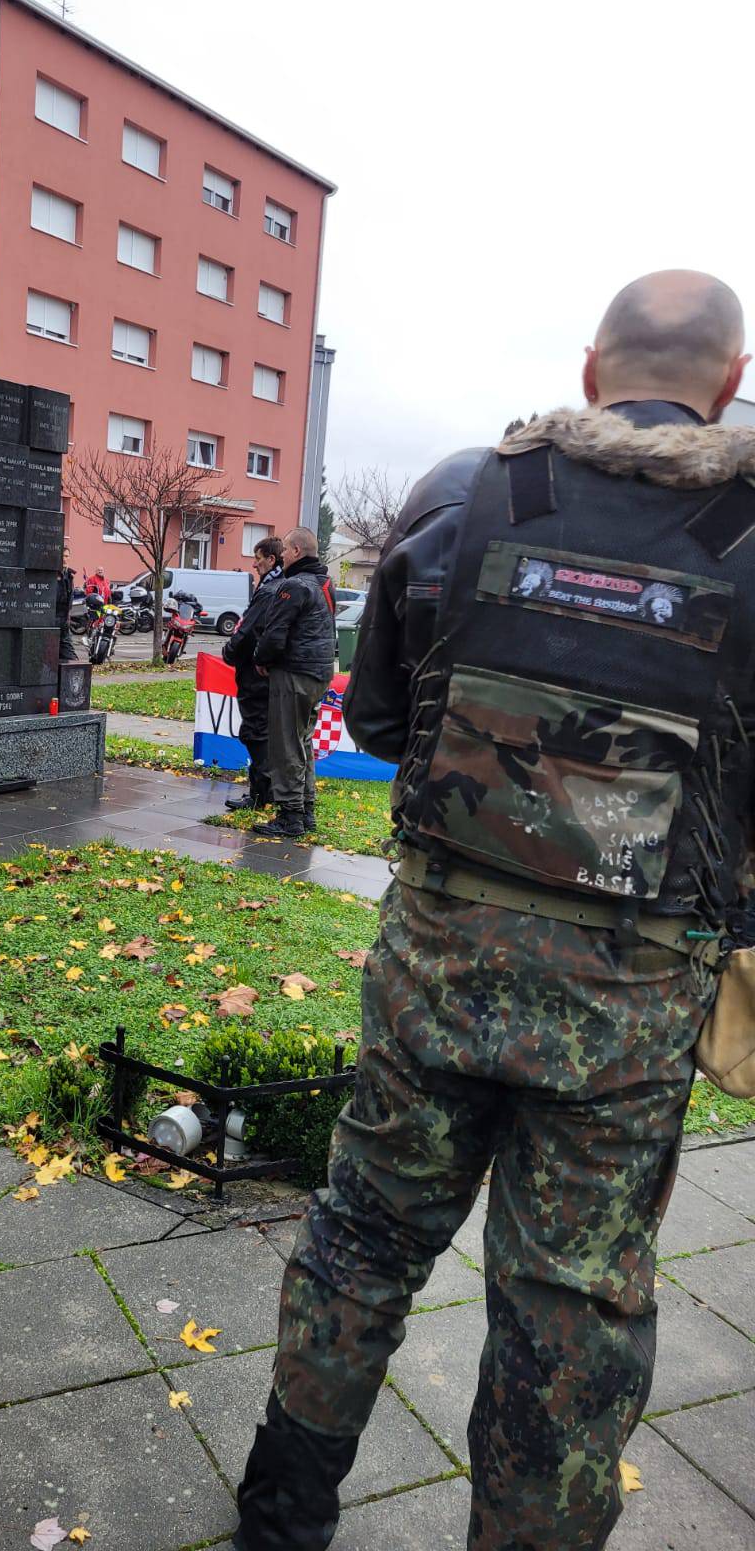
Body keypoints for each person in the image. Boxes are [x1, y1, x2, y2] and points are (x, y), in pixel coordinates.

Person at [234, 270, 755, 1551]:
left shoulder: (464, 493)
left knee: (360, 1240)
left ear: (590, 372)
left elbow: (381, 718)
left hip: (436, 964)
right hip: (626, 1016)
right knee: (568, 1314)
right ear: (730, 385)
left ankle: (280, 1517)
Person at [248, 527, 336, 838]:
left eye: (285, 549)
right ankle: (305, 809)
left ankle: (290, 815)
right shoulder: (324, 583)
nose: (282, 555)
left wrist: (261, 659)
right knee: (303, 741)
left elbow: (275, 634)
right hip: (319, 672)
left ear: (296, 552)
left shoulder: (293, 586)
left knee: (286, 744)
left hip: (294, 673)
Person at [221, 536, 284, 811]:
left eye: (258, 557)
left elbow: (248, 630)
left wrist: (229, 651)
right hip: (263, 670)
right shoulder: (277, 585)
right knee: (261, 731)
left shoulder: (270, 589)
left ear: (271, 559)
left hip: (254, 672)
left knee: (255, 730)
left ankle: (260, 794)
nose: (254, 562)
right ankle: (264, 790)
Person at [56, 543, 78, 663]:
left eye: (67, 556)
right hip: (51, 624)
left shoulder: (69, 576)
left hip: (64, 625)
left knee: (72, 661)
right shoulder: (51, 575)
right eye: (62, 556)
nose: (65, 559)